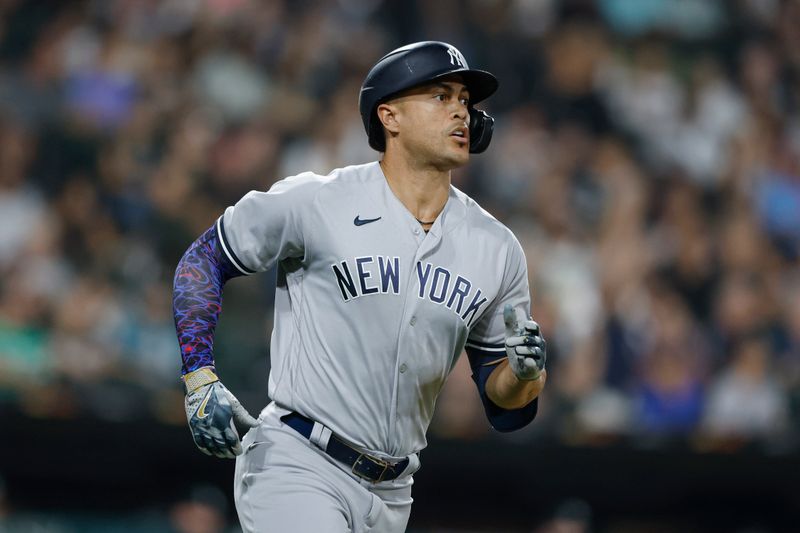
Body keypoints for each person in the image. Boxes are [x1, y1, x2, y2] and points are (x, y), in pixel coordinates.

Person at [173, 41, 547, 533]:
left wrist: (524, 373)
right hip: (297, 462)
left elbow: (505, 406)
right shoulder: (317, 201)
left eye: (465, 100)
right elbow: (203, 260)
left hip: (393, 494)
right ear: (389, 116)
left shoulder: (496, 248)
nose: (461, 109)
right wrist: (199, 376)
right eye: (440, 96)